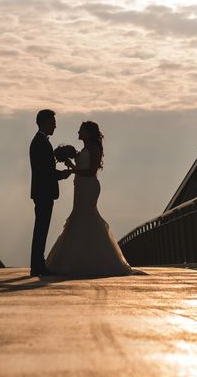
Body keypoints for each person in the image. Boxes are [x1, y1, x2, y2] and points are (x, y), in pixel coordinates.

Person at [46, 121, 132, 276]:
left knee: (86, 215)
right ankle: (79, 258)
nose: (78, 132)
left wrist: (72, 169)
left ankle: (91, 260)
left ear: (88, 133)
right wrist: (72, 164)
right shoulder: (84, 149)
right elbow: (81, 169)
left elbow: (91, 171)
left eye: (81, 130)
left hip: (89, 187)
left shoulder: (94, 149)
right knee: (79, 215)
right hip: (80, 186)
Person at [29, 109, 72, 277]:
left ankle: (38, 264)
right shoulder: (40, 142)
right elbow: (44, 171)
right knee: (41, 229)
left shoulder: (41, 141)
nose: (55, 125)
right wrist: (61, 174)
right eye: (53, 122)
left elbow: (45, 169)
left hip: (42, 192)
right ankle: (37, 266)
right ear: (45, 122)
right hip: (43, 192)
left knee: (41, 228)